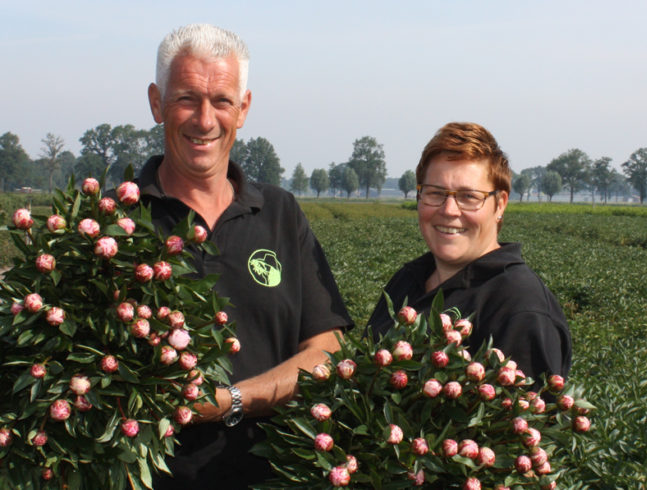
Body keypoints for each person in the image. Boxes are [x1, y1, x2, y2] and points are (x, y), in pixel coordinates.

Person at [138, 24, 353, 489]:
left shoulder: (280, 213)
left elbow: (326, 350)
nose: (204, 119)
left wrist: (232, 399)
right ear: (157, 103)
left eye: (221, 101)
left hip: (272, 478)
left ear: (244, 108)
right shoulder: (117, 222)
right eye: (186, 98)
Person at [367, 122, 571, 383]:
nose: (449, 209)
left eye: (469, 197)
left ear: (500, 205)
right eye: (435, 193)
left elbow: (527, 417)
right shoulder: (407, 281)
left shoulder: (521, 309)